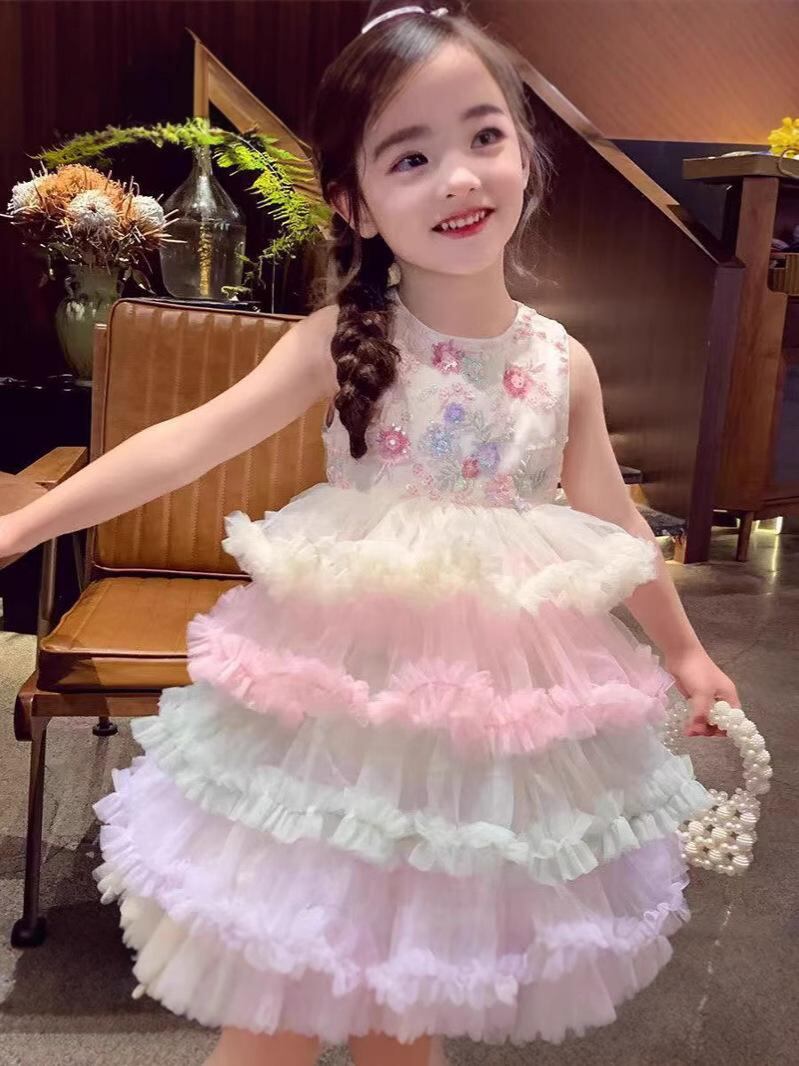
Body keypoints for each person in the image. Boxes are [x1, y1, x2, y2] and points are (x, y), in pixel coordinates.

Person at [0, 5, 739, 1065]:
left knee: (408, 995)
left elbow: (611, 520)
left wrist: (684, 651)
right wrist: (29, 521)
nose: (458, 178)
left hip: (481, 722)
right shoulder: (339, 341)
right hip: (339, 710)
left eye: (483, 135)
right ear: (354, 201)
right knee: (284, 995)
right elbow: (184, 445)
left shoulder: (561, 363)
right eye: (411, 156)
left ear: (525, 152)